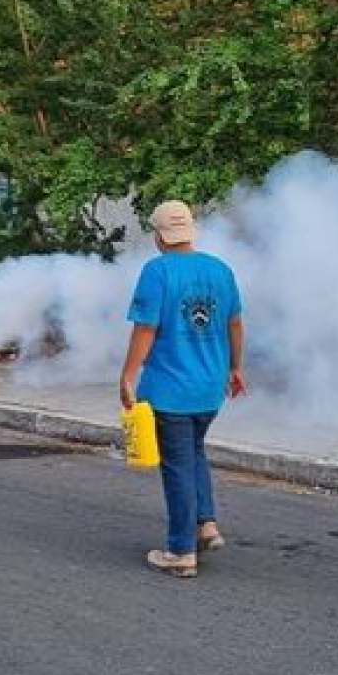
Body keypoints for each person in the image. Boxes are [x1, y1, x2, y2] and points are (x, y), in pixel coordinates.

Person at [119, 200, 246, 578]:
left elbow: (146, 328)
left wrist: (127, 376)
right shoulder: (220, 270)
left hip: (170, 389)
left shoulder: (156, 272)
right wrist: (235, 367)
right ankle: (205, 524)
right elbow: (235, 324)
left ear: (159, 236)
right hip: (210, 389)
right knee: (193, 452)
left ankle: (181, 551)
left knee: (177, 465)